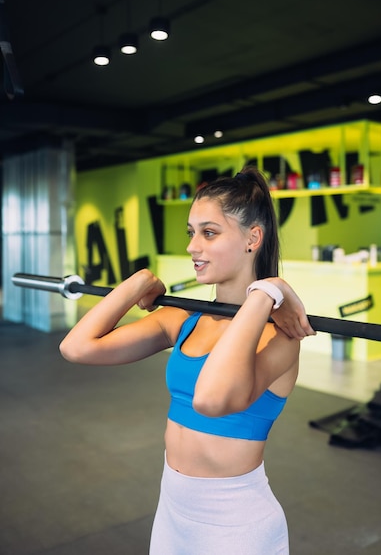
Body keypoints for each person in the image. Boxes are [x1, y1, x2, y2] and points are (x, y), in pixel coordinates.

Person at [59, 166, 315, 554]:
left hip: (237, 526)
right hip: (173, 513)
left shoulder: (278, 338)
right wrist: (139, 282)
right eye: (191, 233)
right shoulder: (184, 320)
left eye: (209, 233)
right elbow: (77, 347)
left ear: (253, 238)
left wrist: (266, 292)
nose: (193, 246)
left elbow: (209, 400)